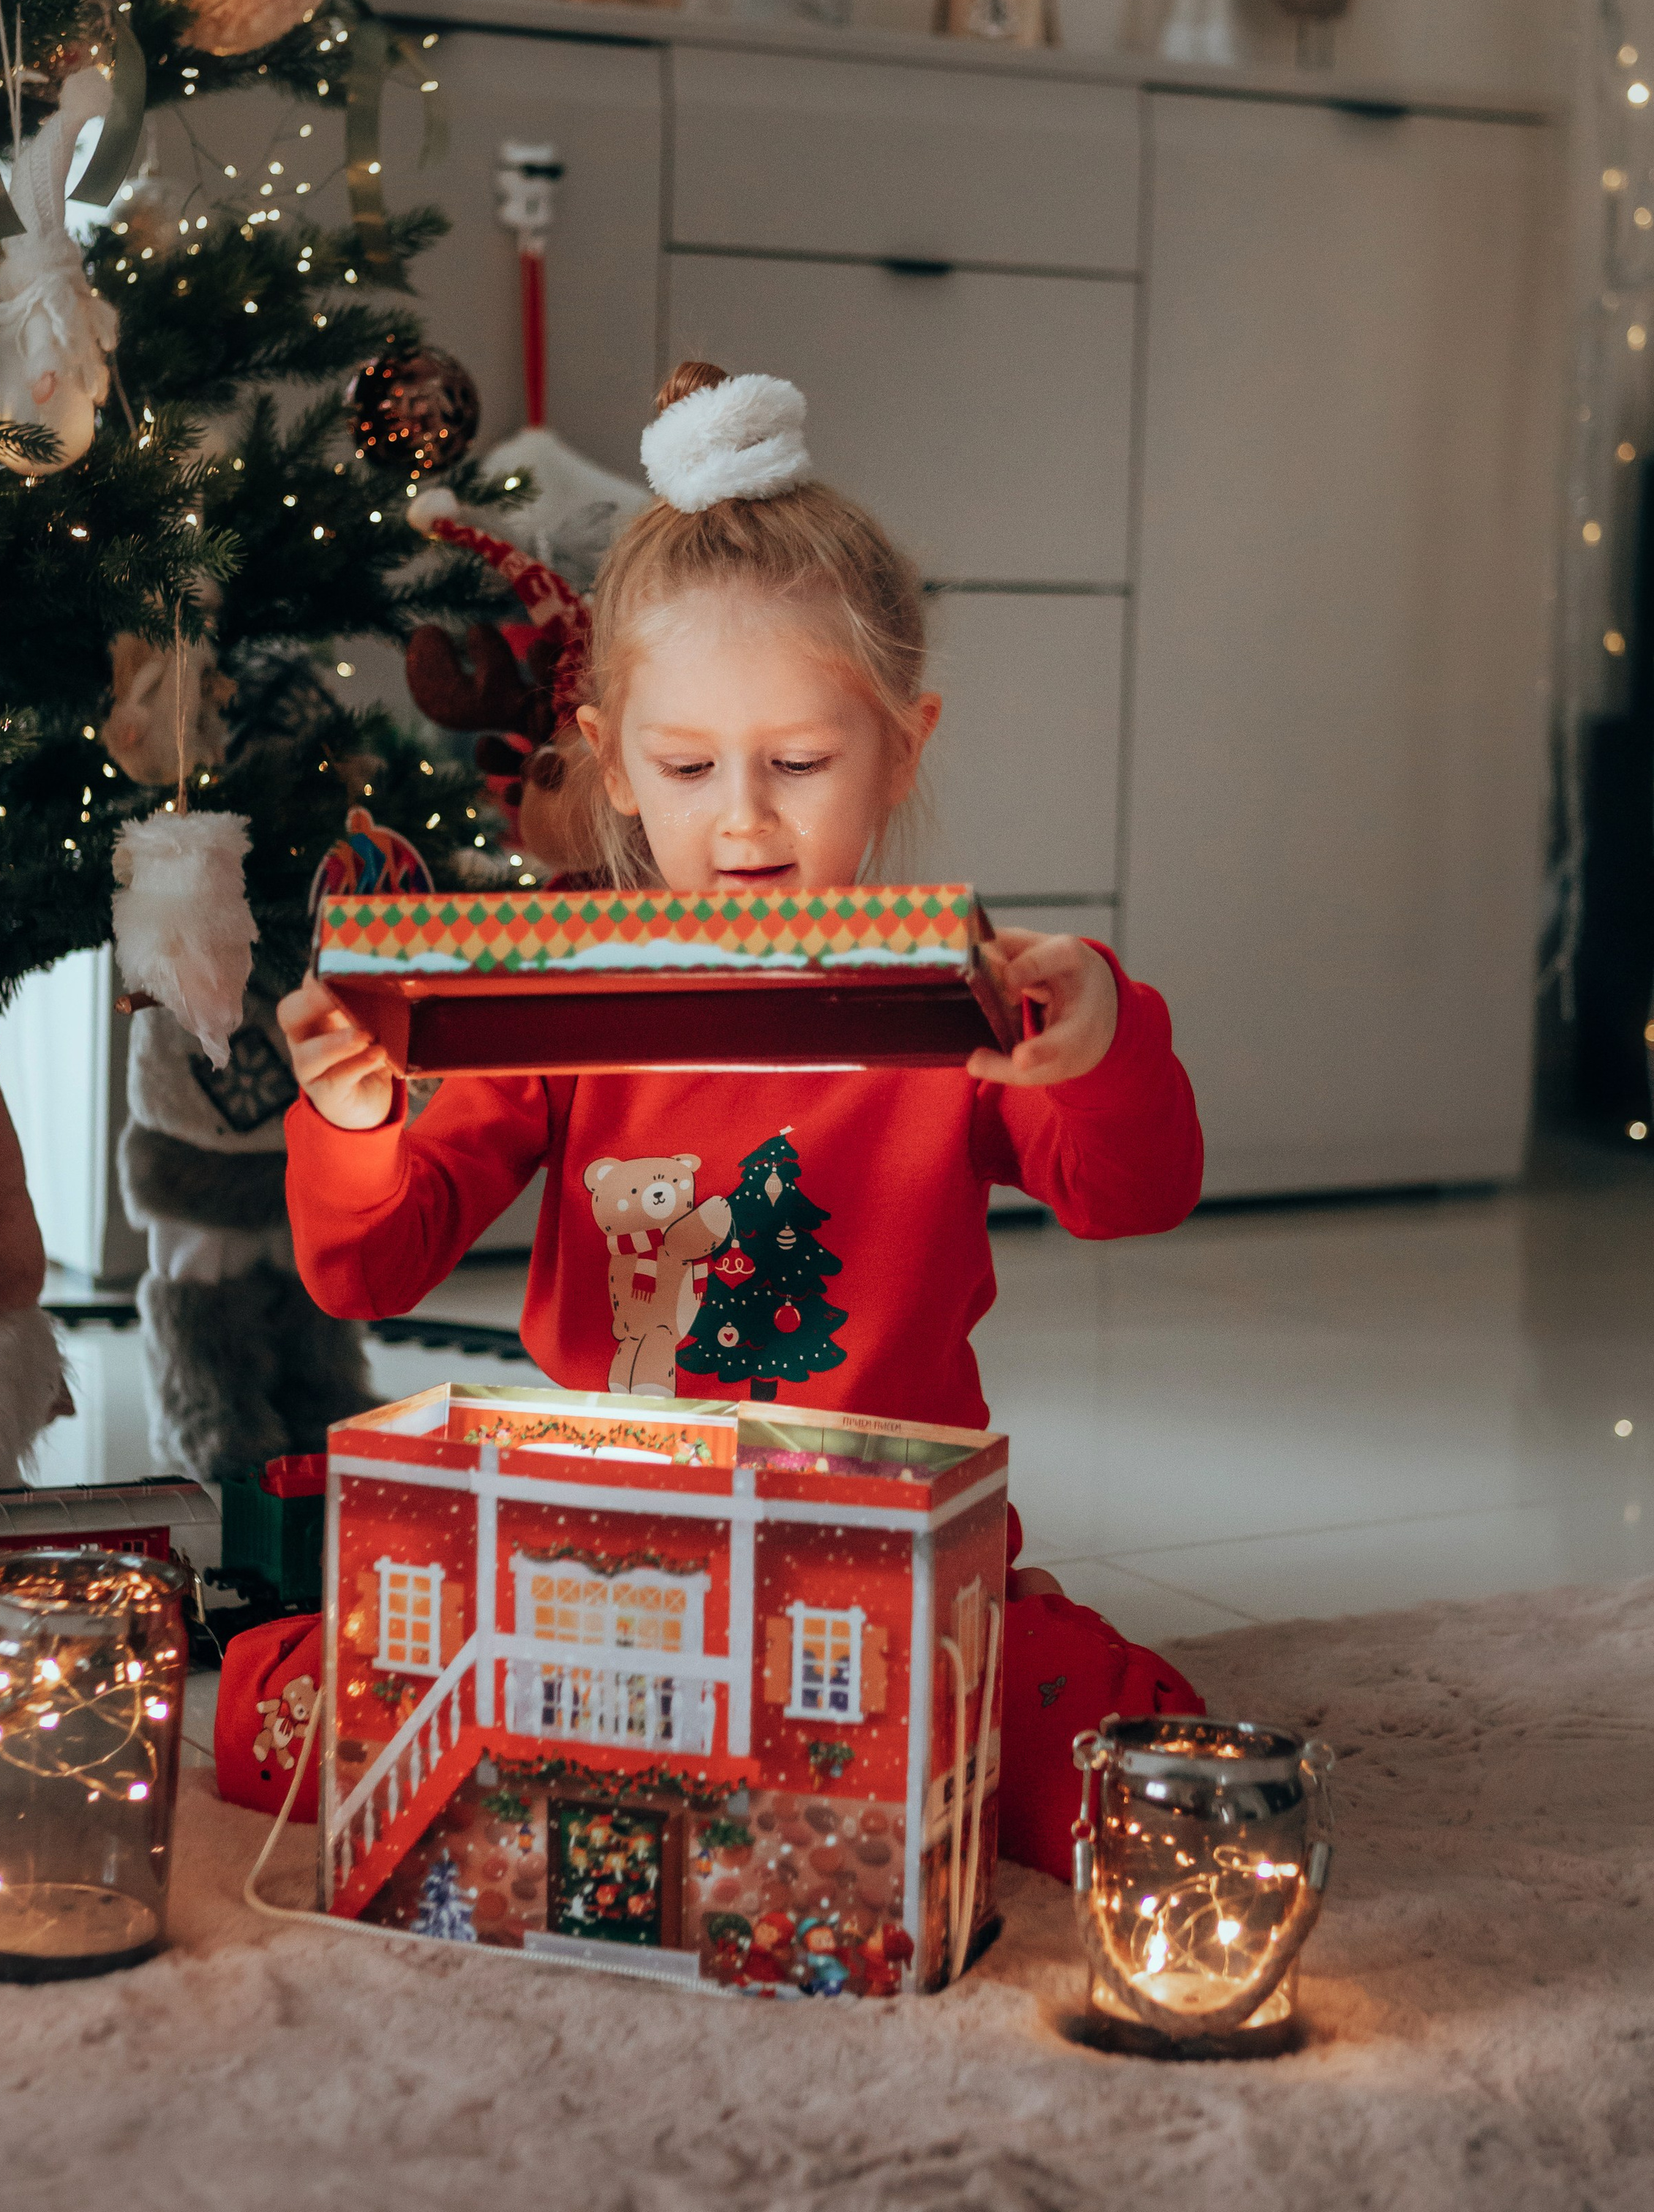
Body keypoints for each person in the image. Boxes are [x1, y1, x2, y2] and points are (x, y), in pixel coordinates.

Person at [279, 362, 1206, 1883]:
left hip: (877, 1562)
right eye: (688, 765)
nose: (744, 820)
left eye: (799, 763)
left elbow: (1132, 1192)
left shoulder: (959, 997)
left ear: (902, 747)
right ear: (610, 760)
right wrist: (354, 1113)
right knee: (322, 1709)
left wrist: (1092, 1034)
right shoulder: (560, 999)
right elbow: (366, 1270)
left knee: (1107, 1757)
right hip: (604, 1562)